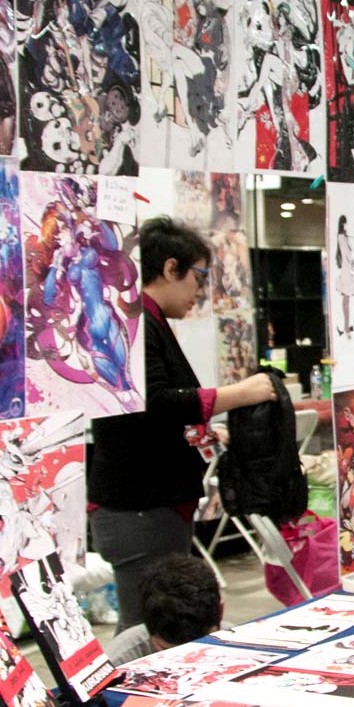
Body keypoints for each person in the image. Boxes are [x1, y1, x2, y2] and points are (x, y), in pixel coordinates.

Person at [88, 217, 277, 630]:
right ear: (171, 268)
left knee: (161, 627)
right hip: (139, 506)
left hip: (152, 505)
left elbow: (152, 417)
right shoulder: (137, 325)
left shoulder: (150, 324)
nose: (200, 291)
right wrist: (239, 394)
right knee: (147, 630)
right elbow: (155, 403)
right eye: (199, 276)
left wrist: (204, 432)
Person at [106, 553, 225, 664]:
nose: (186, 664)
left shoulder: (239, 644)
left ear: (221, 610)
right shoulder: (117, 665)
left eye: (202, 650)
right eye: (169, 653)